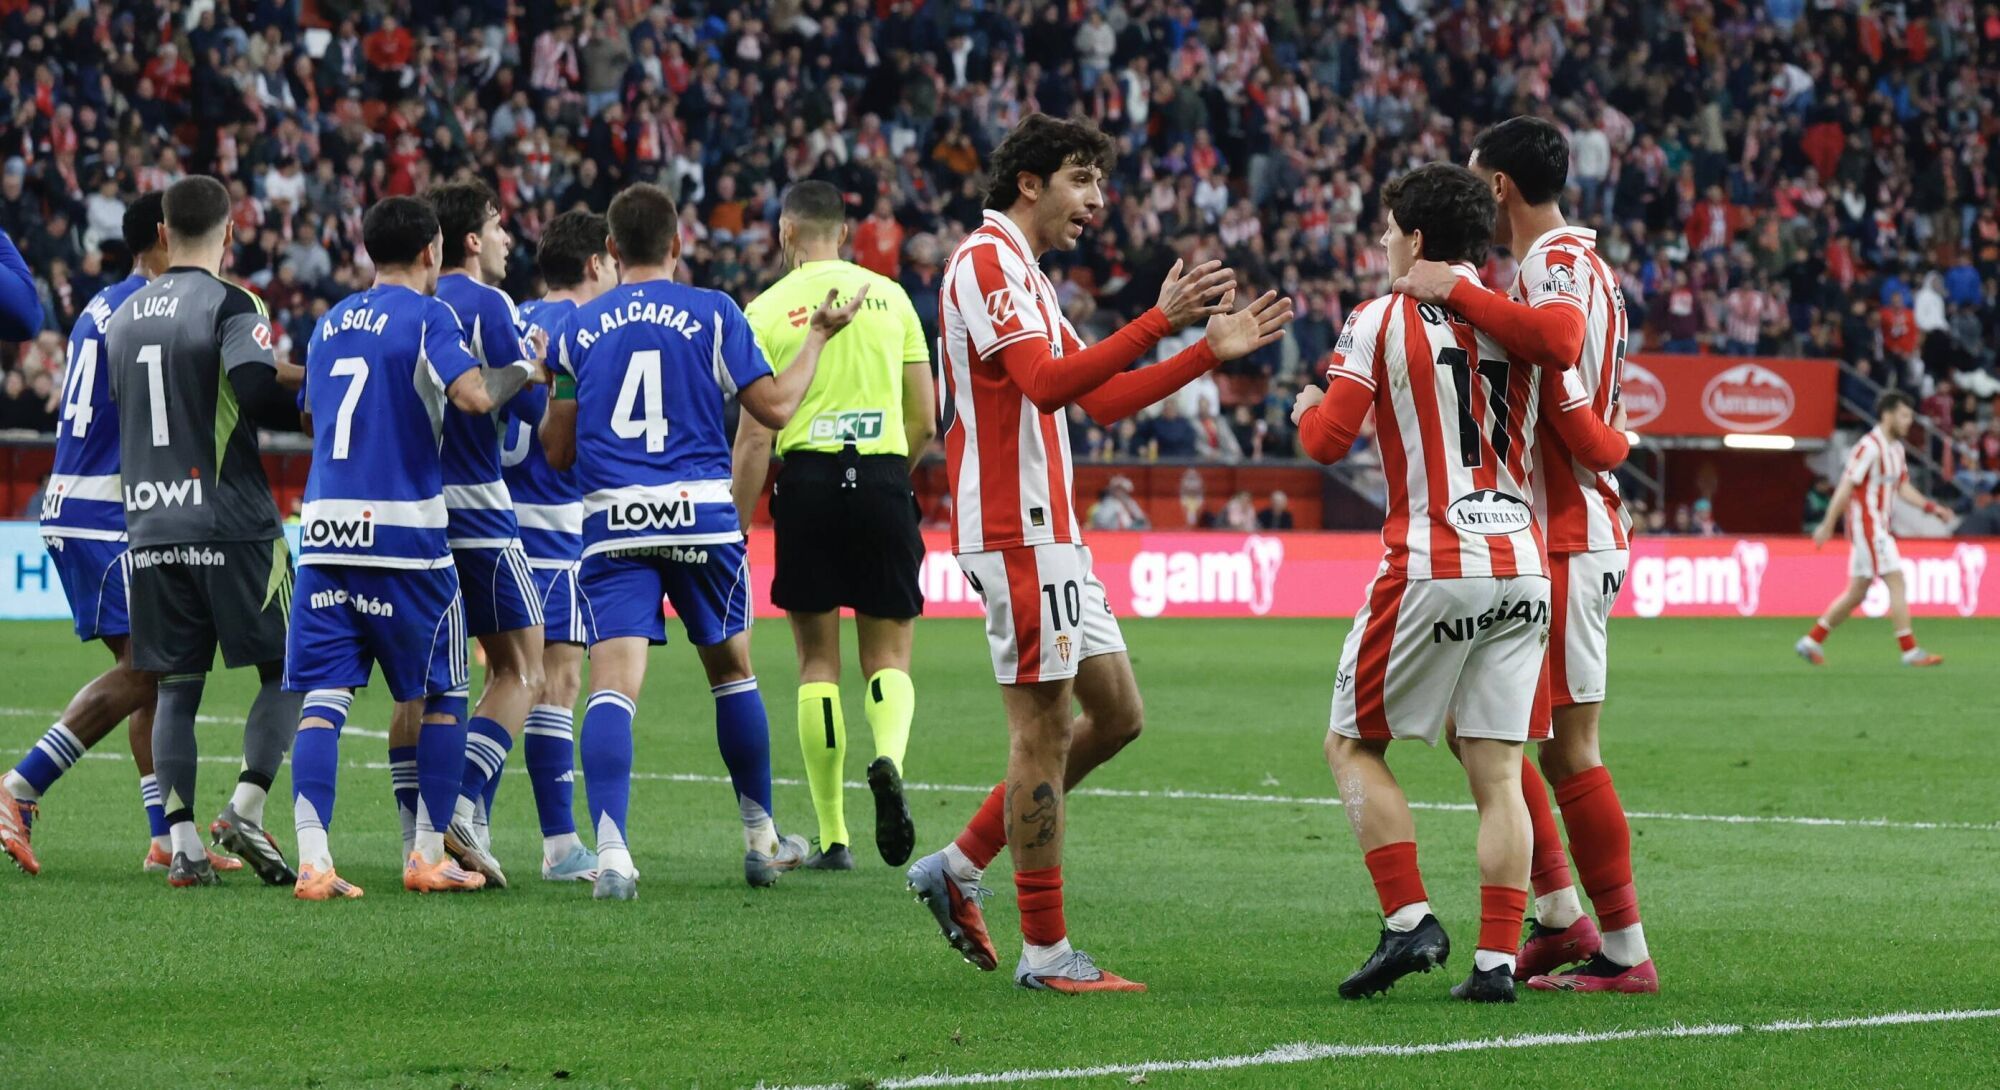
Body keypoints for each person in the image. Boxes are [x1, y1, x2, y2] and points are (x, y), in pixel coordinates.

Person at [902, 113, 1291, 993]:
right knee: (1039, 736)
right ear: (1030, 181)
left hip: (1054, 535)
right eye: (1084, 180)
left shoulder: (1029, 277)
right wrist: (1158, 319)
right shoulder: (987, 262)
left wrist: (1203, 352)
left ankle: (958, 867)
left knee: (1117, 716)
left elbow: (1103, 401)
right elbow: (1043, 384)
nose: (1098, 202)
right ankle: (1046, 955)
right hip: (1015, 529)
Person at [542, 182, 866, 901]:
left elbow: (558, 452)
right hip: (700, 518)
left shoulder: (575, 331)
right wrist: (816, 335)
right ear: (679, 244)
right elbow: (776, 407)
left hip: (614, 522)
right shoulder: (714, 312)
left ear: (611, 250)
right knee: (732, 671)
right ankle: (759, 839)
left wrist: (557, 389)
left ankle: (615, 854)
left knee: (613, 686)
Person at [1392, 116, 1652, 993]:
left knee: (1568, 748)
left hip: (1571, 532)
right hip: (1554, 533)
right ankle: (1555, 914)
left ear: (1498, 186)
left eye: (1477, 180)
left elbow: (1561, 350)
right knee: (1483, 731)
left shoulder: (1557, 265)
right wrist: (1613, 445)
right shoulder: (1580, 266)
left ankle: (1620, 949)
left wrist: (1456, 293)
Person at [1292, 162, 1561, 1004]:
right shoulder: (1519, 321)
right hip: (1522, 565)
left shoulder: (1379, 319)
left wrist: (1304, 403)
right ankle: (1495, 964)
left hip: (1434, 563)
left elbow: (1328, 444)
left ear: (1412, 238)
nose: (1378, 242)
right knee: (1498, 768)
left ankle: (1409, 920)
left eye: (1384, 228)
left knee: (1350, 743)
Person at [284, 196, 526, 898]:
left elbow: (312, 417)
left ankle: (314, 861)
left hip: (327, 532)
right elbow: (476, 396)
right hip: (406, 540)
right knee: (445, 692)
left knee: (325, 701)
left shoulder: (329, 322)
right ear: (433, 253)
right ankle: (425, 854)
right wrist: (525, 371)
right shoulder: (430, 316)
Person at [1, 194, 240, 877]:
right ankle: (19, 786)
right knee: (153, 663)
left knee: (158, 674)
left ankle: (171, 836)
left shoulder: (106, 304)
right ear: (164, 237)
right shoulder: (157, 310)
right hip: (104, 509)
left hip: (86, 502)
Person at [102, 175, 304, 888]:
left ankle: (183, 845)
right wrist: (321, 392)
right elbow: (252, 389)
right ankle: (246, 806)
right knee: (291, 665)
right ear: (230, 227)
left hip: (151, 523)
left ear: (163, 229)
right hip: (229, 520)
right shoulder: (231, 301)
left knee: (177, 687)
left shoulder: (122, 315)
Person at [731, 180, 936, 871]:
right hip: (881, 476)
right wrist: (887, 474)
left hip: (809, 481)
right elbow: (927, 419)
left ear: (787, 233)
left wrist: (737, 526)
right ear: (843, 233)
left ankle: (835, 836)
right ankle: (889, 758)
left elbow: (755, 439)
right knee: (890, 655)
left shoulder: (762, 310)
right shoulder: (893, 297)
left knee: (817, 663)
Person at [425, 180, 549, 888]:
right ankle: (464, 806)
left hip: (416, 515)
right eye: (500, 227)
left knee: (428, 688)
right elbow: (512, 390)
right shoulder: (486, 303)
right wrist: (533, 366)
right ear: (471, 239)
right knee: (523, 670)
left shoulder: (411, 305)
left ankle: (422, 837)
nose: (507, 240)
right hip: (481, 511)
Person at [501, 209, 619, 882]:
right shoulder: (587, 329)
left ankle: (454, 824)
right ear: (596, 264)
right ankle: (557, 841)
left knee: (496, 677)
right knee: (556, 680)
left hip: (494, 519)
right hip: (555, 524)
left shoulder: (508, 316)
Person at [1797, 391, 1952, 667]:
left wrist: (1932, 508)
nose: (1908, 422)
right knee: (1897, 580)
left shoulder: (1896, 449)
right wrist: (1828, 523)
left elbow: (1901, 487)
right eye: (1904, 415)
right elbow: (1846, 485)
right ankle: (1909, 651)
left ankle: (1811, 641)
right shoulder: (1869, 446)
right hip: (1868, 527)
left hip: (1877, 527)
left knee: (1858, 591)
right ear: (1887, 414)